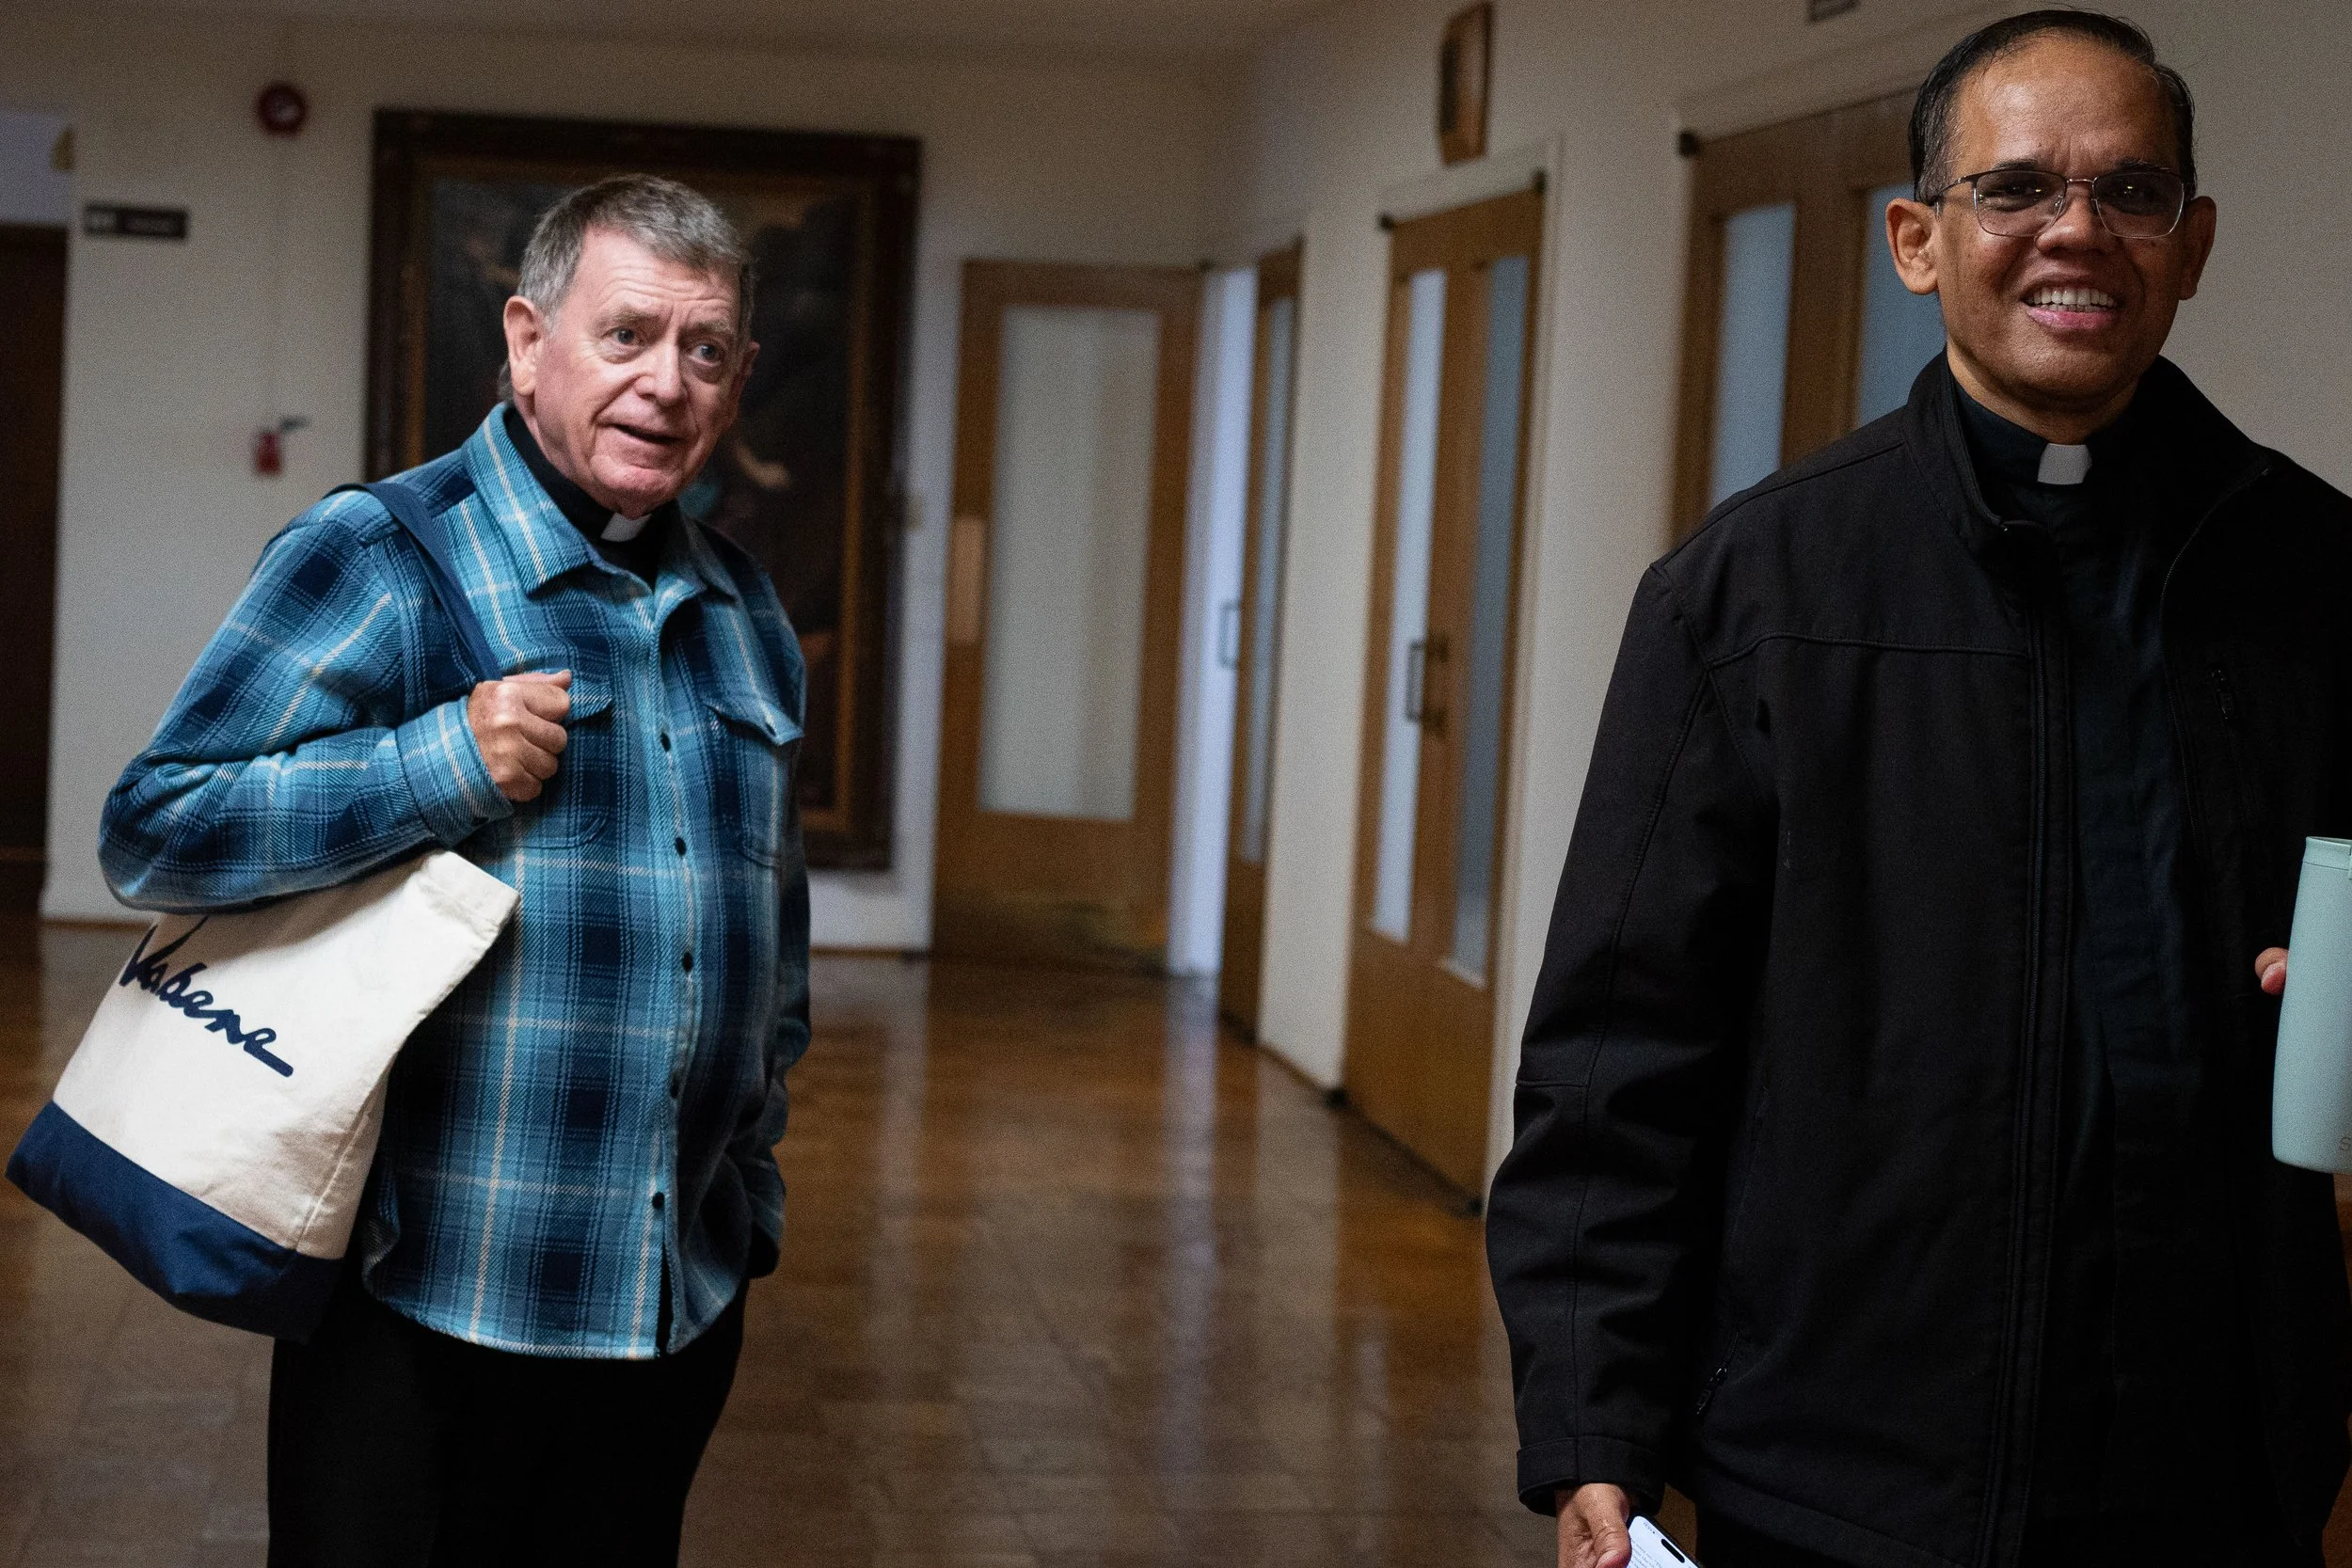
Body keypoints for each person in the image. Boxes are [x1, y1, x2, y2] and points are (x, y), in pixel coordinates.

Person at [1485, 12, 2352, 1568]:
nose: (2076, 230)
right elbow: (1622, 1056)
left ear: (2193, 243)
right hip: (1837, 1468)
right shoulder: (1752, 594)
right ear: (1917, 240)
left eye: (2131, 191)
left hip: (2215, 1468)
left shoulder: (2323, 580)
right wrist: (1594, 1422)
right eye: (2016, 188)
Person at [100, 174, 808, 1564]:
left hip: (672, 1306)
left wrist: (751, 1192)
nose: (666, 383)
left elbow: (770, 937)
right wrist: (437, 764)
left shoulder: (746, 607)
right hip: (421, 1301)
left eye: (704, 348)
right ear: (527, 340)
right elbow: (155, 824)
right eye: (626, 336)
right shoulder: (375, 553)